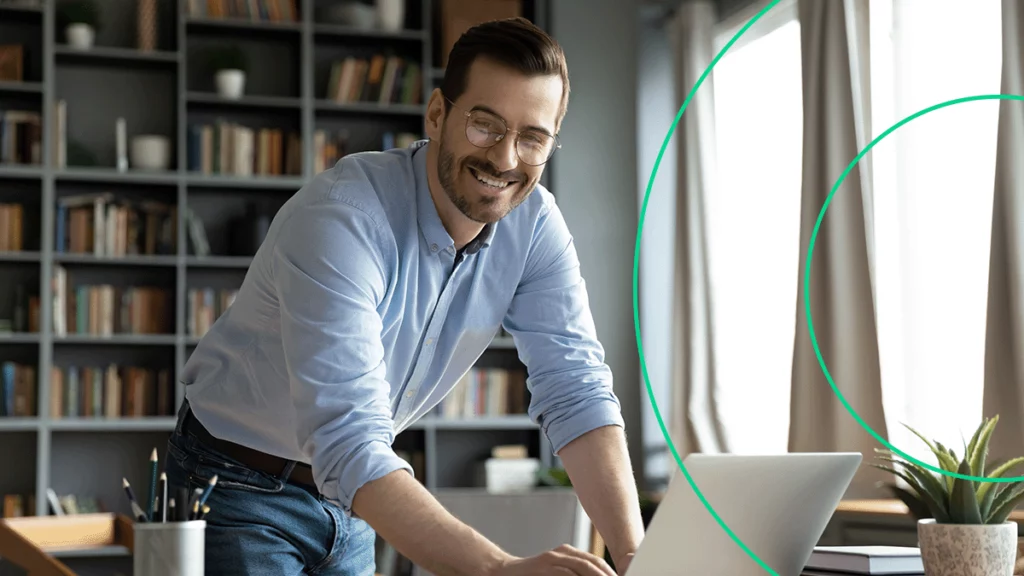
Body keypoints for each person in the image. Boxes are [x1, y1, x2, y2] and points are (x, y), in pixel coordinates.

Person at [163, 16, 645, 576]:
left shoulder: (535, 225)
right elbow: (347, 432)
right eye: (485, 125)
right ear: (438, 114)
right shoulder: (343, 219)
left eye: (532, 137)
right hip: (235, 483)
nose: (506, 159)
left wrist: (639, 556)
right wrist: (495, 569)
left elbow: (576, 391)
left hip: (355, 494)